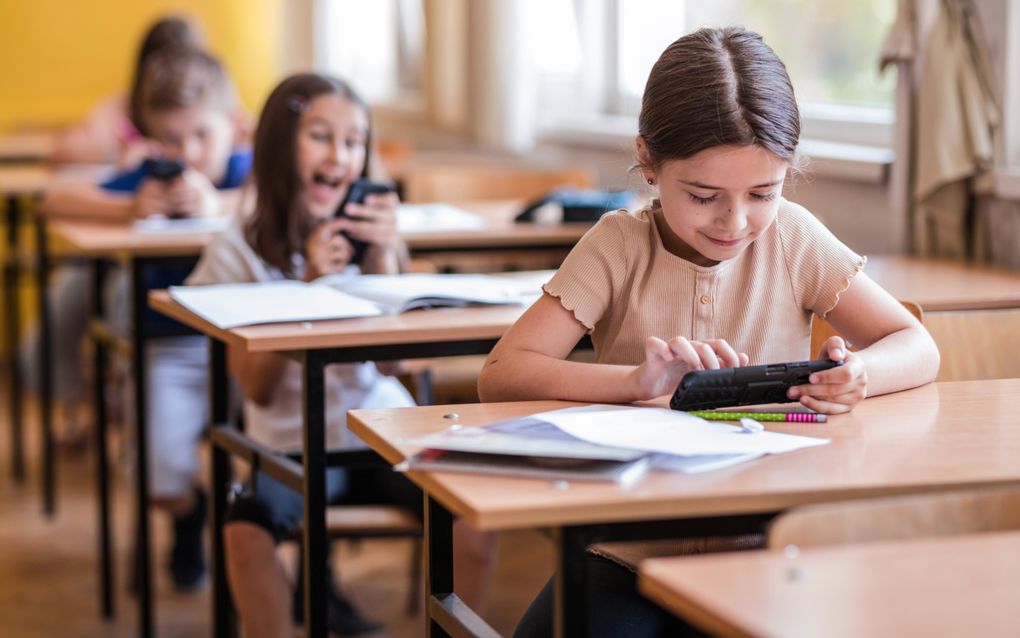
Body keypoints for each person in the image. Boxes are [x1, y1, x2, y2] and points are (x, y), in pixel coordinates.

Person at [477, 27, 940, 637]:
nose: (735, 222)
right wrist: (633, 383)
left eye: (763, 193)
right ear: (648, 161)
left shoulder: (794, 237)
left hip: (768, 541)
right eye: (702, 196)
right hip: (629, 544)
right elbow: (501, 374)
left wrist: (859, 374)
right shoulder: (617, 246)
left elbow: (917, 344)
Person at [186, 73, 493, 637]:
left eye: (354, 142)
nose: (340, 156)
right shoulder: (236, 250)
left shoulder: (372, 238)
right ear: (279, 145)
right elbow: (256, 388)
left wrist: (382, 262)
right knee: (245, 530)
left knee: (473, 518)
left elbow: (394, 365)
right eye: (321, 137)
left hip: (380, 429)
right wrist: (305, 286)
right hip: (290, 443)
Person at [41, 46, 252, 591]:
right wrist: (131, 207)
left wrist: (219, 206)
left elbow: (288, 201)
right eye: (171, 139)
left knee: (288, 460)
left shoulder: (247, 173)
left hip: (251, 352)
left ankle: (265, 550)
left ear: (233, 126)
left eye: (202, 135)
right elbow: (54, 201)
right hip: (167, 349)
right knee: (158, 480)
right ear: (152, 137)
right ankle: (188, 513)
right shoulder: (149, 179)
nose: (189, 152)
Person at [49, 15, 206, 167]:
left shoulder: (210, 112)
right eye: (160, 75)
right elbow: (61, 152)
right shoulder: (122, 109)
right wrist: (117, 154)